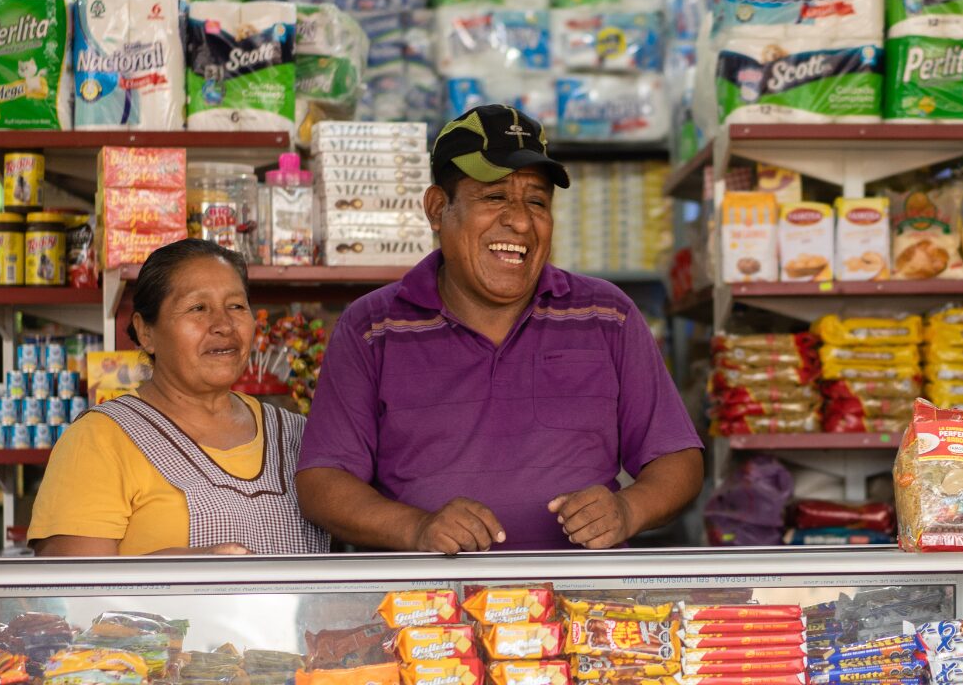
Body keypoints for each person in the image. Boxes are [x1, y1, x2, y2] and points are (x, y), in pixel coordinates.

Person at [297, 104, 703, 553]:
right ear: (437, 208)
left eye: (536, 201)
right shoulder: (371, 327)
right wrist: (416, 528)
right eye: (494, 197)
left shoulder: (606, 315)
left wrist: (629, 510)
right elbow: (323, 482)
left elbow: (677, 457)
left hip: (580, 610)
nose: (521, 221)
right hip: (426, 613)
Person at [29, 239, 329, 556]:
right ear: (146, 332)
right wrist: (180, 568)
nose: (224, 325)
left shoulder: (299, 435)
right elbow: (72, 594)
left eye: (236, 306)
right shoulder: (99, 440)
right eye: (198, 308)